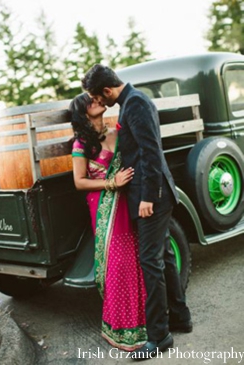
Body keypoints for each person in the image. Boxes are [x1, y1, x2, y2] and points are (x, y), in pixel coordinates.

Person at [81, 65, 192, 361]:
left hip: (151, 197)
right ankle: (180, 317)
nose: (98, 103)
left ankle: (158, 337)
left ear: (106, 91)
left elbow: (151, 152)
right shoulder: (131, 103)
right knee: (165, 256)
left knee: (150, 262)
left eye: (97, 97)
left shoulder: (136, 103)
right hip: (151, 195)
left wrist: (148, 197)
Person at [69, 92, 147, 352]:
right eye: (90, 101)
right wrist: (112, 183)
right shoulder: (81, 143)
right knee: (118, 263)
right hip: (104, 205)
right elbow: (79, 182)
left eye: (96, 98)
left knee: (135, 259)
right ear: (83, 111)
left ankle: (144, 323)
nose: (97, 101)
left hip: (128, 201)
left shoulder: (116, 133)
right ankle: (121, 328)